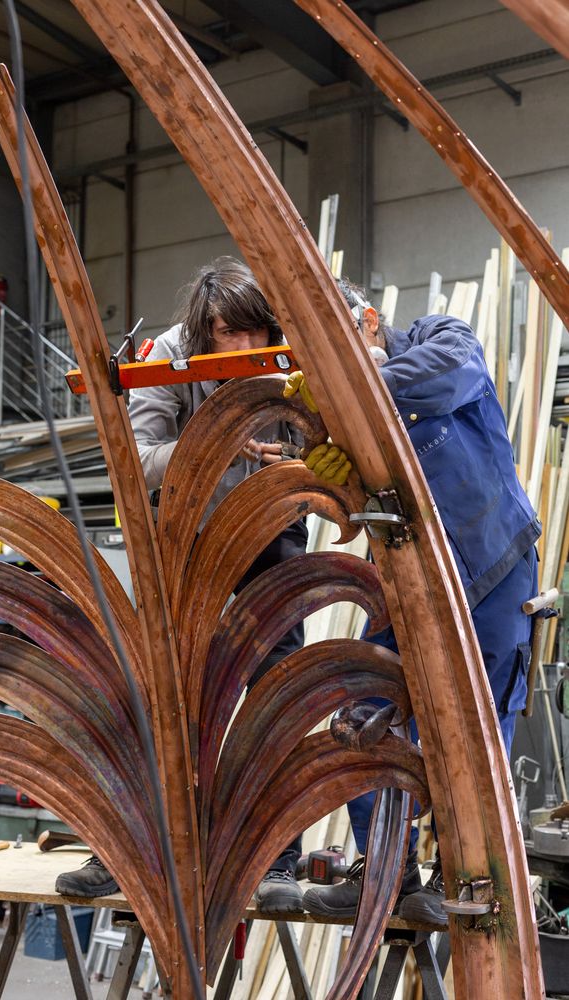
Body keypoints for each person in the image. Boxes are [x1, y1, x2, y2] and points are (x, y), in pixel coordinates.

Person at [55, 257, 308, 912]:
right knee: (155, 686)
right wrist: (212, 443)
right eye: (231, 333)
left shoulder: (286, 349)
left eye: (257, 333)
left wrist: (305, 451)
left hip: (268, 529)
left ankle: (274, 857)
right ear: (205, 327)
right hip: (185, 535)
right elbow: (135, 462)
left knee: (277, 692)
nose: (248, 348)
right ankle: (126, 850)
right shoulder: (166, 355)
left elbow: (326, 433)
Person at [284, 280, 540, 924]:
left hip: (493, 571)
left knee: (478, 732)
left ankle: (470, 879)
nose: (325, 368)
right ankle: (388, 872)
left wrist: (357, 386)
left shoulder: (441, 337)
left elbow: (450, 376)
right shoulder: (337, 401)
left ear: (370, 321)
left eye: (336, 346)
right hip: (404, 578)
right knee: (363, 711)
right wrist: (327, 461)